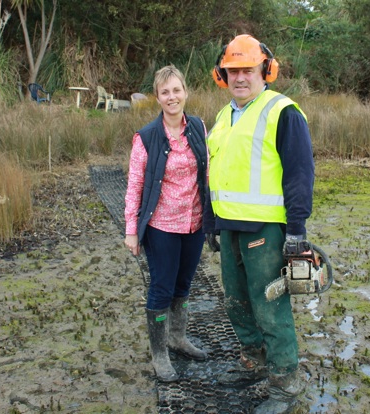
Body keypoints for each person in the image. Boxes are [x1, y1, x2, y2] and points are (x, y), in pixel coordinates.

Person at [204, 34, 315, 414]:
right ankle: (253, 360)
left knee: (269, 306)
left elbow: (300, 174)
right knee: (236, 301)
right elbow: (215, 172)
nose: (240, 78)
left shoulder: (282, 111)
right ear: (223, 75)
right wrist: (211, 222)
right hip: (230, 225)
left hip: (267, 230)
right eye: (233, 71)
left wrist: (296, 232)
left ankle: (285, 383)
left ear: (265, 71)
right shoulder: (223, 116)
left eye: (247, 70)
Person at [124, 65, 208, 382]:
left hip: (195, 224)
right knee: (161, 289)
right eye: (165, 92)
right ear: (158, 97)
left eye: (176, 90)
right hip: (161, 227)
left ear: (185, 92)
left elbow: (208, 172)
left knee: (183, 287)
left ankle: (177, 338)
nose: (172, 97)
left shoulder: (198, 127)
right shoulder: (146, 137)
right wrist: (132, 231)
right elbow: (134, 187)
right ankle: (160, 353)